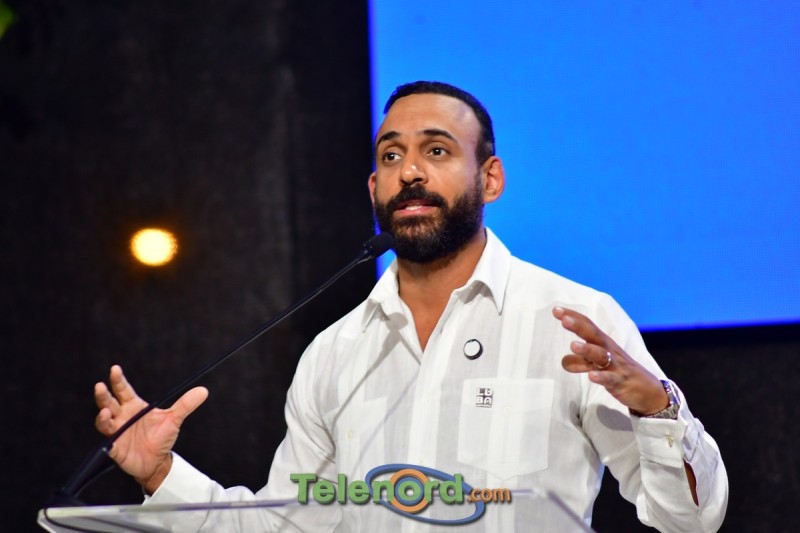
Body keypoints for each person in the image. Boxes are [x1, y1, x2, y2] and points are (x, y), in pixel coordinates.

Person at [94, 81, 728, 531]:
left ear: (491, 178)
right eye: (391, 155)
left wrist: (657, 408)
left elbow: (690, 521)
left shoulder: (573, 321)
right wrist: (161, 475)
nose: (411, 172)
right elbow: (288, 524)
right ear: (375, 187)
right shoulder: (334, 353)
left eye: (437, 151)